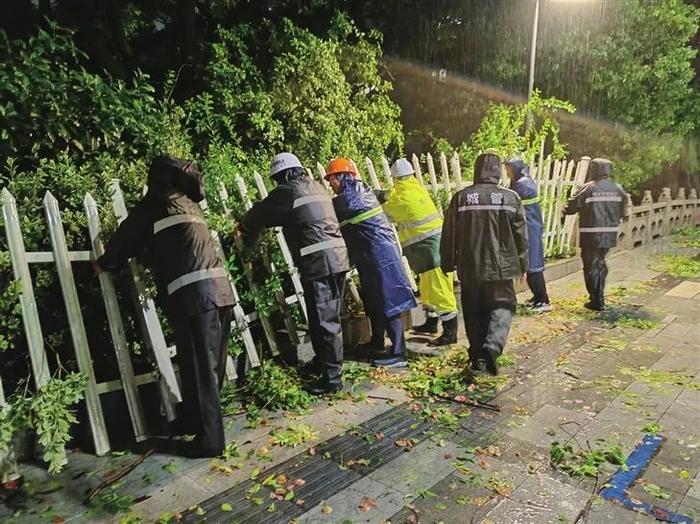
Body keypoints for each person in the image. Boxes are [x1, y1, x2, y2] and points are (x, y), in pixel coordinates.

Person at [94, 155, 234, 457]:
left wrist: (105, 263)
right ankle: (194, 420)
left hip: (195, 296)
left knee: (200, 369)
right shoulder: (189, 203)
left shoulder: (157, 202)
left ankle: (211, 440)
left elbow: (127, 237)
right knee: (207, 367)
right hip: (221, 291)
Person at [240, 152, 350, 394]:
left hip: (320, 263)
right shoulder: (316, 186)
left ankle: (332, 380)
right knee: (322, 315)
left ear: (285, 174)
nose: (277, 183)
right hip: (337, 259)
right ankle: (323, 364)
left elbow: (258, 215)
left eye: (278, 178)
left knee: (325, 320)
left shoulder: (288, 190)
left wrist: (243, 227)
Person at [441, 152, 528, 375]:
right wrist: (522, 264)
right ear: (498, 171)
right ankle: (493, 346)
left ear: (477, 170)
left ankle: (478, 358)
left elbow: (449, 234)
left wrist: (448, 263)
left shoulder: (461, 198)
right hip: (502, 267)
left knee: (473, 312)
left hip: (470, 266)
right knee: (503, 306)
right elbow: (521, 236)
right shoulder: (510, 198)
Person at [324, 157, 417, 367]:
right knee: (373, 300)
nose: (330, 184)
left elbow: (329, 219)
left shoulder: (348, 199)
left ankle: (399, 353)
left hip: (380, 257)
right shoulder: (361, 192)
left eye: (331, 179)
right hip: (372, 256)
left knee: (388, 300)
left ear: (342, 177)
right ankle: (376, 343)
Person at [377, 158, 459, 346]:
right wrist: (383, 194)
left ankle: (450, 333)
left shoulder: (401, 199)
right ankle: (431, 323)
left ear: (395, 178)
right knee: (428, 288)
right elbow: (395, 196)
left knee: (439, 291)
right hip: (432, 248)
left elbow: (385, 213)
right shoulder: (416, 189)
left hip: (429, 250)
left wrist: (375, 198)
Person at [563, 158, 627, 311]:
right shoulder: (618, 189)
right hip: (610, 235)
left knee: (591, 266)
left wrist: (563, 213)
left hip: (591, 234)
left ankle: (596, 300)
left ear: (594, 170)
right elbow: (624, 210)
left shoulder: (588, 188)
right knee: (600, 263)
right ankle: (599, 296)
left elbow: (572, 205)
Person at [505, 158, 551, 312]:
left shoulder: (523, 185)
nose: (507, 172)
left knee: (533, 266)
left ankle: (543, 300)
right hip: (529, 228)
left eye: (509, 169)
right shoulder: (523, 182)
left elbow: (512, 204)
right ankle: (538, 297)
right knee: (530, 265)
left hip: (529, 230)